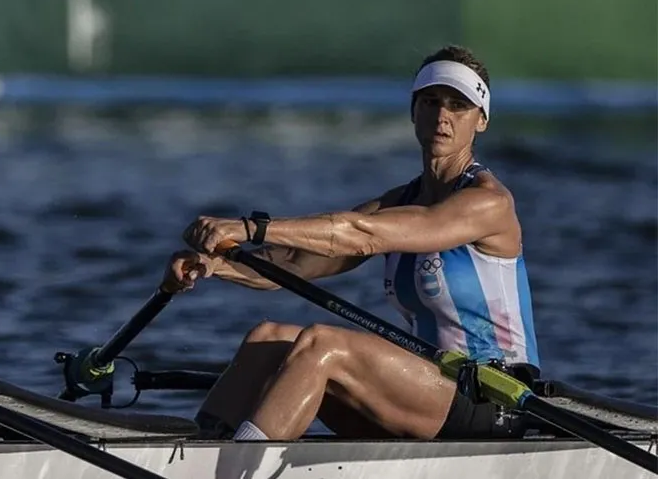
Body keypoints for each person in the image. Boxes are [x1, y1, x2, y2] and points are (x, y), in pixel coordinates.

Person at [165, 45, 539, 442]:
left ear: (480, 120)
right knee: (267, 338)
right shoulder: (400, 201)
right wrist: (214, 266)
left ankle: (244, 461)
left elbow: (361, 235)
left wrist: (249, 228)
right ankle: (201, 451)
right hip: (430, 384)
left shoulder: (488, 202)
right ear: (414, 111)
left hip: (493, 396)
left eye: (457, 106)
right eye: (430, 102)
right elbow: (293, 262)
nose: (442, 116)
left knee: (324, 344)